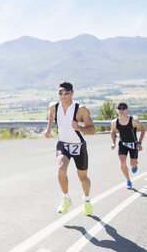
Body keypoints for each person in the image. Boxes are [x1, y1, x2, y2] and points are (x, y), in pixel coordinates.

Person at [45, 81, 96, 216]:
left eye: (66, 93)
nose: (63, 96)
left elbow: (92, 130)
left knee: (83, 178)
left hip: (78, 146)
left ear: (72, 93)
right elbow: (51, 115)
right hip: (63, 144)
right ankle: (66, 197)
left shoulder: (81, 109)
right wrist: (48, 129)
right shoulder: (54, 107)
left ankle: (87, 200)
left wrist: (79, 127)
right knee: (61, 168)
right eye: (60, 93)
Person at [110, 102, 145, 189]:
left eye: (123, 108)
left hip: (133, 144)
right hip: (122, 144)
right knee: (122, 163)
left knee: (132, 164)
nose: (121, 110)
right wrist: (113, 143)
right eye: (119, 109)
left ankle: (135, 164)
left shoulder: (133, 121)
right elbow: (113, 132)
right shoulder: (115, 122)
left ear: (127, 110)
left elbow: (142, 130)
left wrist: (139, 142)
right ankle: (128, 180)